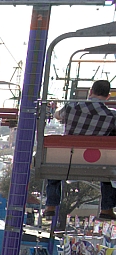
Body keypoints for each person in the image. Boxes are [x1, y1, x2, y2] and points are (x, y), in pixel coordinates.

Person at [45, 80, 116, 220]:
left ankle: (50, 206)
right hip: (97, 162)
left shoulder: (72, 107)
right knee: (110, 170)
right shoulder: (112, 115)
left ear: (90, 92)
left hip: (68, 159)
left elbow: (57, 115)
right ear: (108, 96)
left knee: (54, 167)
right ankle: (107, 209)